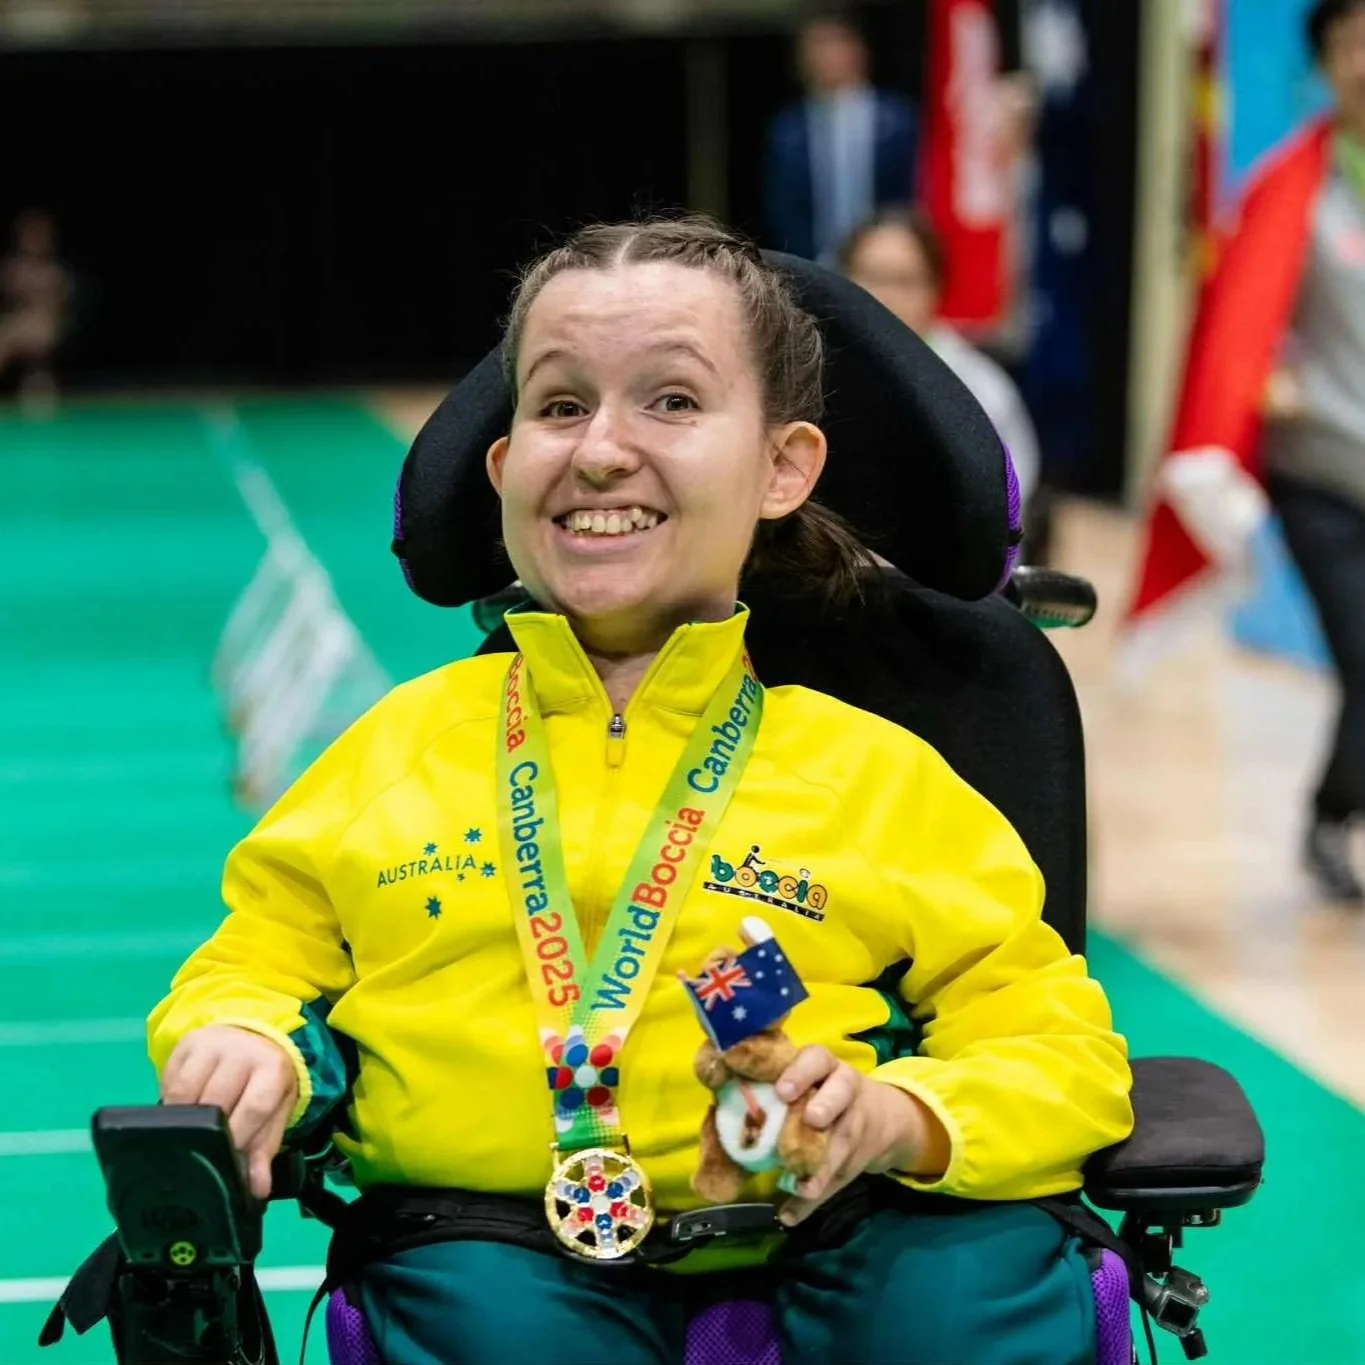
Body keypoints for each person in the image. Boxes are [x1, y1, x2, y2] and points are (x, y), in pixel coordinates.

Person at [147, 216, 1133, 1364]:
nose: (603, 451)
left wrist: (901, 1119)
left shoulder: (882, 777)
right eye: (561, 406)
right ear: (503, 469)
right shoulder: (395, 753)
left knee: (958, 1309)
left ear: (782, 467)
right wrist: (246, 1040)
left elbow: (1056, 1048)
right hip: (497, 1253)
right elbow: (256, 963)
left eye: (672, 400)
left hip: (848, 1230)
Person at [1128, 0, 1365, 905]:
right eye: (1348, 45)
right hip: (1320, 473)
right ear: (1324, 63)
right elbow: (1236, 322)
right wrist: (1267, 376)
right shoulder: (1287, 189)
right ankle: (1329, 818)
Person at [838, 207, 1042, 512]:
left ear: (935, 289)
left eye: (904, 281)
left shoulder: (980, 386)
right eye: (873, 277)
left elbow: (1009, 496)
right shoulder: (815, 369)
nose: (885, 296)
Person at [763, 9, 917, 265]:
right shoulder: (788, 128)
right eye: (816, 46)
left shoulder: (896, 120)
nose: (826, 56)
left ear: (858, 51)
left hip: (885, 259)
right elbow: (782, 209)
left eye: (834, 44)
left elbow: (910, 195)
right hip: (813, 263)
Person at [0, 208, 70, 411]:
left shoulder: (54, 274)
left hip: (43, 328)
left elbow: (58, 312)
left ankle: (39, 392)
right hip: (13, 326)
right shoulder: (12, 270)